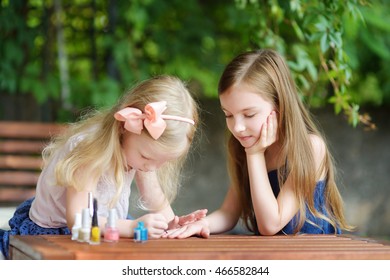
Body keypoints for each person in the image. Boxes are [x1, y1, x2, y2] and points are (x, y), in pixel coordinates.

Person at [0, 75, 207, 259]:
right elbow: (77, 220)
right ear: (123, 128)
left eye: (163, 162)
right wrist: (133, 226)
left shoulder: (142, 155)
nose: (151, 167)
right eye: (146, 157)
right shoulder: (90, 151)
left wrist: (173, 225)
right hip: (58, 233)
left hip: (101, 226)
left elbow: (155, 198)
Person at [164, 49, 354, 239]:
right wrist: (202, 224)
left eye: (249, 114)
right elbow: (229, 213)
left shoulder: (310, 148)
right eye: (228, 115)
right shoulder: (245, 148)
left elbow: (271, 224)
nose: (237, 127)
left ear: (280, 105)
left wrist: (254, 155)